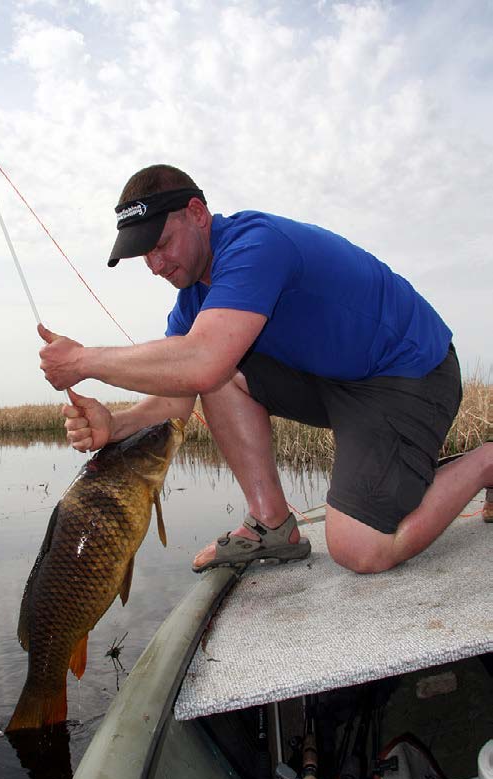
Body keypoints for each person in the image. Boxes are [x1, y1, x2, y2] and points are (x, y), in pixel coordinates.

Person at [38, 164, 492, 574]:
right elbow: (177, 394)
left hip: (409, 376)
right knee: (211, 369)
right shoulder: (194, 302)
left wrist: (83, 361)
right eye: (144, 256)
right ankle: (272, 525)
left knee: (360, 549)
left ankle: (487, 462)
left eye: (160, 244)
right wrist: (115, 424)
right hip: (336, 383)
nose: (155, 265)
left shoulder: (256, 245)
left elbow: (202, 360)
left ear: (197, 213)